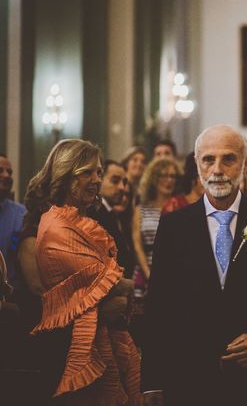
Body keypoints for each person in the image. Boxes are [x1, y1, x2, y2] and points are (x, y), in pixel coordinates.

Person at [142, 125, 247, 406]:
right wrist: (152, 381)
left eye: (229, 159)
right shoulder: (174, 225)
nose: (217, 169)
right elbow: (158, 305)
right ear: (197, 165)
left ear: (244, 163)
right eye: (209, 159)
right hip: (188, 378)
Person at [26, 139, 141, 404]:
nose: (96, 179)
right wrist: (120, 290)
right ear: (66, 175)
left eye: (99, 172)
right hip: (69, 345)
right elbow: (111, 286)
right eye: (86, 172)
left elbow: (115, 285)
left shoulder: (82, 221)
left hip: (100, 336)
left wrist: (120, 290)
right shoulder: (57, 226)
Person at [131, 157, 179, 296]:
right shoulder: (141, 209)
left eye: (173, 176)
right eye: (164, 175)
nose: (169, 180)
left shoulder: (180, 208)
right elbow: (137, 246)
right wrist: (149, 274)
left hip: (174, 274)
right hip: (145, 272)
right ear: (154, 178)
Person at [89, 159, 135, 278]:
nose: (122, 188)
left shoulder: (109, 213)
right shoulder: (94, 213)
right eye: (115, 181)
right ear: (99, 180)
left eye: (124, 182)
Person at [0, 154, 26, 289]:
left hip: (11, 296)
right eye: (0, 170)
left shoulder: (22, 214)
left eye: (9, 172)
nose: (7, 175)